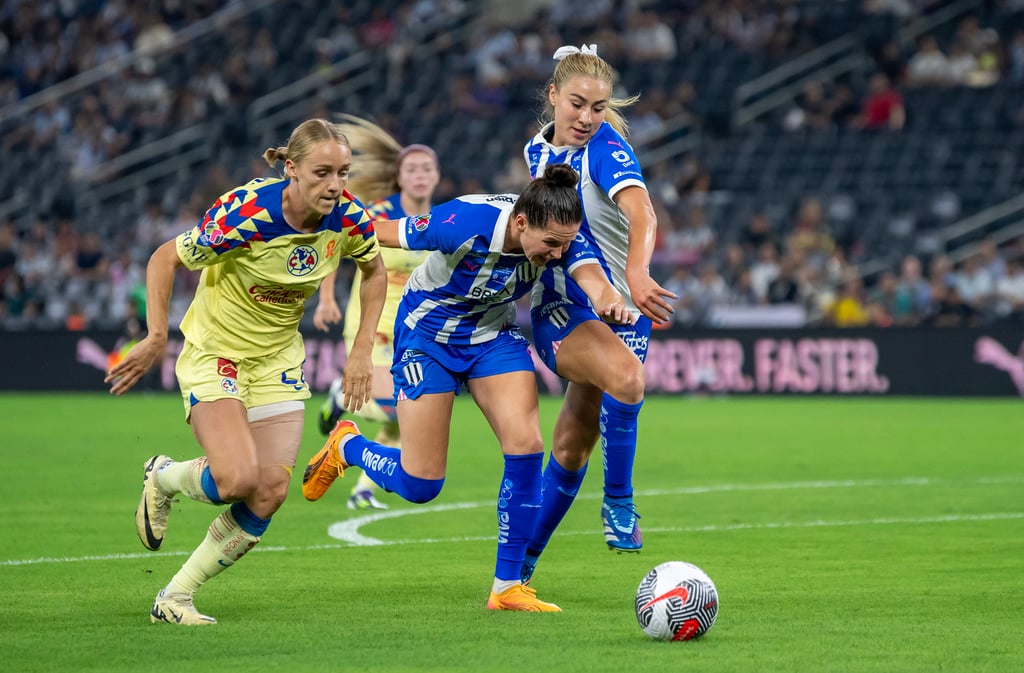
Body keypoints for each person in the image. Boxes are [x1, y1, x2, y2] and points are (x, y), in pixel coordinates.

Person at [301, 164, 633, 612]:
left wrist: (607, 298)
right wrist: (312, 225)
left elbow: (589, 272)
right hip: (427, 338)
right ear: (520, 222)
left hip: (492, 338)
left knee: (527, 445)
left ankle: (506, 586)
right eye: (550, 244)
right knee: (421, 484)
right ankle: (348, 446)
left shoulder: (562, 233)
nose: (557, 254)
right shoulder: (464, 221)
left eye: (565, 244)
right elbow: (379, 231)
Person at [105, 118, 388, 625]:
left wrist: (362, 347)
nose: (335, 185)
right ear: (291, 168)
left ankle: (175, 597)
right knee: (236, 478)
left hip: (277, 359)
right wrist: (155, 336)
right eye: (323, 173)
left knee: (270, 491)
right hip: (217, 352)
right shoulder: (247, 214)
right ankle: (164, 478)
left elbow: (374, 270)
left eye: (343, 173)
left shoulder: (348, 218)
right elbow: (164, 258)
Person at [520, 44, 676, 581]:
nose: (588, 118)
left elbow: (643, 214)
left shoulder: (606, 151)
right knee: (629, 380)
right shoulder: (536, 153)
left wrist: (634, 275)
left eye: (599, 107)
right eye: (577, 104)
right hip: (563, 309)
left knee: (571, 444)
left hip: (624, 314)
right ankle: (620, 502)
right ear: (553, 97)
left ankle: (519, 567)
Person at [313, 114, 441, 511]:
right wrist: (327, 297)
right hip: (372, 324)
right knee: (394, 406)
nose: (419, 176)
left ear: (436, 177)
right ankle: (339, 397)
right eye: (412, 169)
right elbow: (334, 244)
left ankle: (364, 489)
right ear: (399, 177)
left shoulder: (441, 218)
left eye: (427, 169)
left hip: (413, 330)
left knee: (405, 413)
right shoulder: (381, 212)